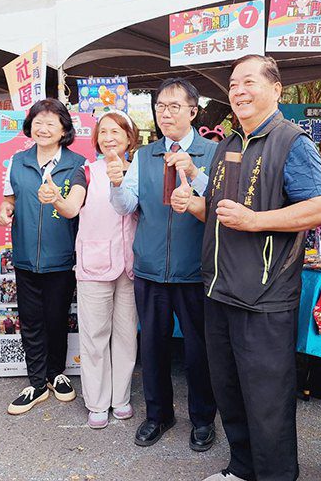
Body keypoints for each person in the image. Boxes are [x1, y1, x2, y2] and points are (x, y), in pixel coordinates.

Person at [172, 55, 321, 481]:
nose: (238, 91)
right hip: (220, 289)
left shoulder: (291, 142)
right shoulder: (228, 144)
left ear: (276, 89)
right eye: (233, 84)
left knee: (267, 399)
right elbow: (223, 216)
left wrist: (257, 220)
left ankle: (276, 475)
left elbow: (319, 207)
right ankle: (241, 468)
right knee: (230, 390)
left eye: (248, 82)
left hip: (264, 297)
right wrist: (195, 206)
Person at [109, 78, 218, 450]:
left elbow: (220, 206)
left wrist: (193, 171)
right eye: (160, 106)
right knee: (152, 347)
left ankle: (203, 418)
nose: (166, 113)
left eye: (174, 106)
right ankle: (158, 414)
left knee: (198, 350)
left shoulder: (212, 152)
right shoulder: (144, 155)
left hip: (194, 269)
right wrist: (116, 184)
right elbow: (127, 206)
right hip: (152, 266)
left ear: (193, 111)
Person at [39, 110, 139, 429]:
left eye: (117, 132)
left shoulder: (139, 170)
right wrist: (56, 198)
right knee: (94, 335)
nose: (109, 138)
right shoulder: (86, 172)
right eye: (104, 132)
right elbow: (71, 208)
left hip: (132, 266)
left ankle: (120, 397)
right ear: (95, 138)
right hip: (94, 263)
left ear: (129, 138)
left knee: (126, 336)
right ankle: (96, 400)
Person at [0, 98, 84, 415]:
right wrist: (6, 212)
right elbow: (10, 200)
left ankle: (56, 374)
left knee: (57, 318)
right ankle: (35, 382)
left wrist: (56, 198)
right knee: (30, 321)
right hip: (24, 257)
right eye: (38, 121)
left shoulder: (76, 163)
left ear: (64, 129)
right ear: (29, 126)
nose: (43, 128)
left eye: (51, 122)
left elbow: (74, 207)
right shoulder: (17, 161)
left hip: (61, 257)